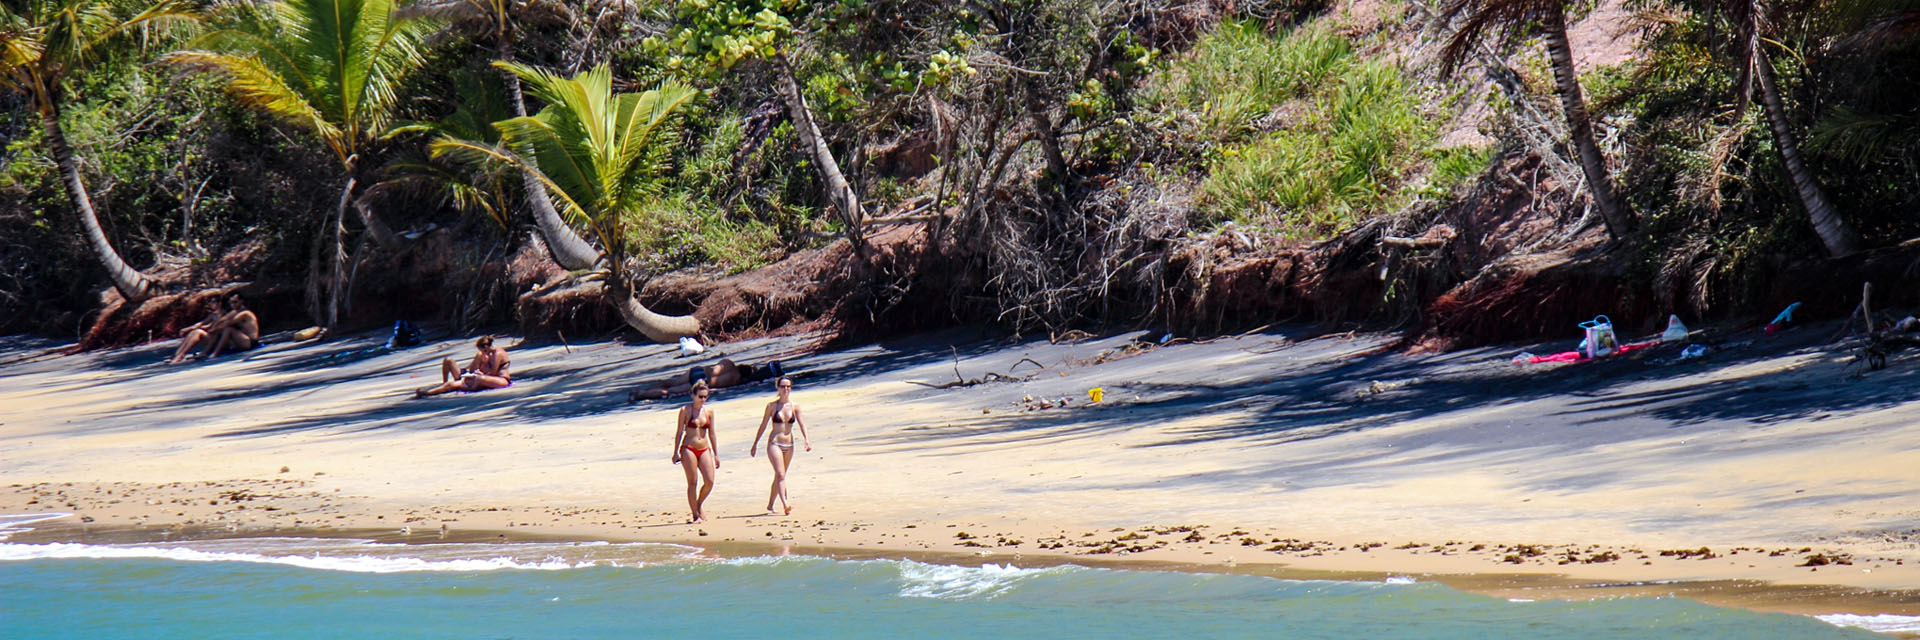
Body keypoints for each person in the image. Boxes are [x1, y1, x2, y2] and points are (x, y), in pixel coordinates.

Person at [749, 376, 810, 515]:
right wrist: (755, 444)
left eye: (788, 386)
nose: (785, 389)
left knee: (779, 475)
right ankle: (785, 504)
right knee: (781, 474)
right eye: (782, 386)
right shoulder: (772, 406)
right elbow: (763, 425)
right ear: (777, 388)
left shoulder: (795, 407)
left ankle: (770, 505)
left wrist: (807, 440)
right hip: (774, 443)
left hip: (789, 444)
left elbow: (802, 424)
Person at [672, 380, 720, 523]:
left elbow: (712, 433)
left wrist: (716, 454)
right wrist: (675, 452)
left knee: (710, 481)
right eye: (700, 396)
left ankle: (698, 504)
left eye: (705, 396)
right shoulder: (685, 411)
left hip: (704, 448)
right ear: (693, 395)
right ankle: (695, 514)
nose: (703, 400)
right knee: (692, 482)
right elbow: (679, 432)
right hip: (689, 448)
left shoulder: (709, 411)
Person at [629, 358, 785, 401]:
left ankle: (644, 389)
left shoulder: (727, 362)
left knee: (672, 382)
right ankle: (641, 394)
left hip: (700, 371)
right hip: (704, 382)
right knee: (669, 392)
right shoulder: (737, 380)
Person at [416, 336, 511, 398]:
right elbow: (474, 369)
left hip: (501, 379)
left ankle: (468, 388)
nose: (482, 353)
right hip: (486, 378)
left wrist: (481, 373)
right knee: (452, 383)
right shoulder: (487, 354)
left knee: (478, 378)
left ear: (486, 348)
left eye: (482, 350)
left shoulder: (497, 354)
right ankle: (430, 392)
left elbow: (494, 372)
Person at [168, 297, 225, 364]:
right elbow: (201, 323)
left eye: (213, 302)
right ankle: (177, 354)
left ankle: (181, 355)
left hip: (218, 340)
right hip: (211, 337)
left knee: (198, 332)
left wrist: (202, 328)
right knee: (193, 332)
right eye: (210, 302)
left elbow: (212, 326)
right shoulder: (213, 315)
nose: (211, 304)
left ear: (219, 303)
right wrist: (188, 329)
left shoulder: (222, 314)